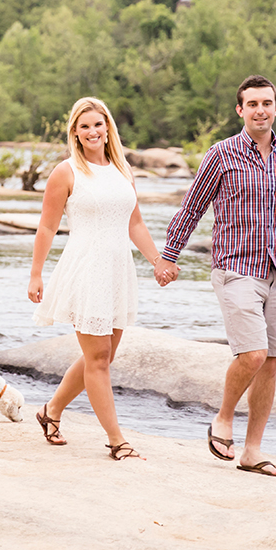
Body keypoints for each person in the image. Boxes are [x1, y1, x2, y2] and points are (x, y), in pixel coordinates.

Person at [154, 75, 276, 477]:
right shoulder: (222, 154)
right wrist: (169, 256)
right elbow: (192, 208)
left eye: (267, 103)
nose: (260, 110)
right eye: (252, 104)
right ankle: (222, 418)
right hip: (235, 268)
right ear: (240, 110)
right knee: (252, 354)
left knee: (270, 363)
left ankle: (252, 452)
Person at [28, 96, 169, 461]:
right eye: (85, 125)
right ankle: (117, 440)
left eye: (98, 124)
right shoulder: (66, 172)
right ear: (75, 132)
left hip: (118, 270)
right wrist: (36, 274)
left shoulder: (123, 170)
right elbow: (47, 225)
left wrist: (157, 260)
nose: (93, 131)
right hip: (86, 268)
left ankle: (50, 412)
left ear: (108, 128)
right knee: (99, 359)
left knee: (102, 356)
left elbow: (134, 222)